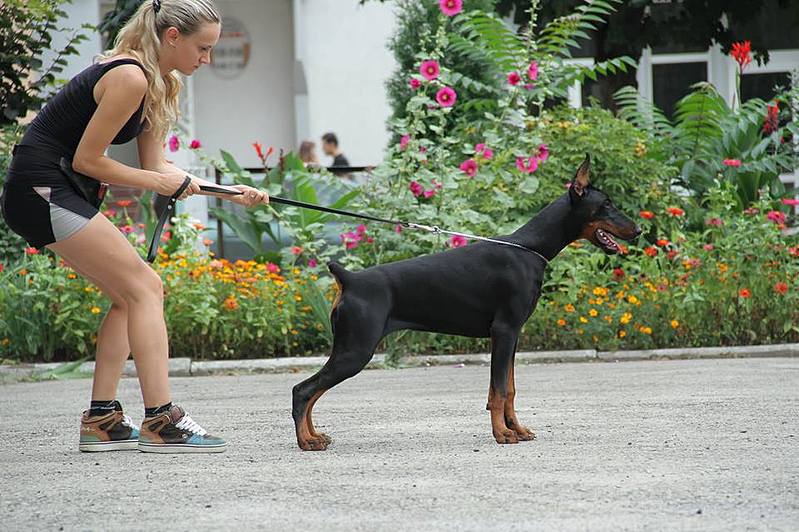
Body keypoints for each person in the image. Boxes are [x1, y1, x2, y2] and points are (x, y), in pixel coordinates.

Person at [0, 0, 268, 454]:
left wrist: (229, 191)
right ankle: (162, 421)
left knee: (131, 295)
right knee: (146, 287)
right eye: (202, 49)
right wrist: (161, 181)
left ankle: (102, 420)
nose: (206, 59)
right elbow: (91, 161)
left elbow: (157, 166)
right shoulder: (129, 75)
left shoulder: (161, 84)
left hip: (59, 188)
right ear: (172, 37)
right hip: (40, 187)